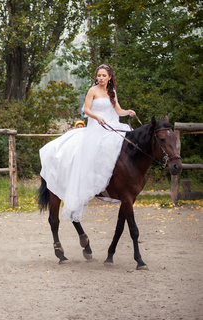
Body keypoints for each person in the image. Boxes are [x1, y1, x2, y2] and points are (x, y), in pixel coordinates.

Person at [39, 64, 136, 222]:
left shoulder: (112, 92)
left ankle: (117, 180)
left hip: (112, 125)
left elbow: (118, 110)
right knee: (99, 146)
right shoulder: (93, 90)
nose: (101, 78)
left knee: (127, 142)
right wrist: (97, 117)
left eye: (104, 75)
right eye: (99, 75)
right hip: (96, 127)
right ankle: (94, 179)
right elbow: (87, 109)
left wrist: (128, 112)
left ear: (110, 77)